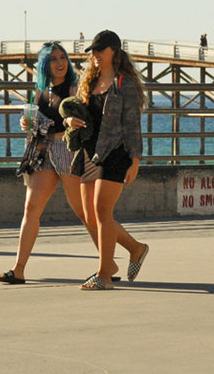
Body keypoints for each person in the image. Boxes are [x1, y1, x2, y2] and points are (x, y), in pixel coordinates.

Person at [0, 41, 85, 284]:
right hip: (42, 150)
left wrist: (68, 122)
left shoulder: (74, 88)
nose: (60, 62)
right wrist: (26, 124)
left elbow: (80, 119)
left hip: (67, 149)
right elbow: (39, 122)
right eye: (54, 58)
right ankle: (19, 268)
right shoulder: (40, 91)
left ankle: (116, 258)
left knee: (85, 211)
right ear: (45, 64)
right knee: (31, 208)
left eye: (62, 57)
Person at [67, 30, 149, 290]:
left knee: (103, 212)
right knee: (91, 217)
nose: (95, 55)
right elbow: (77, 109)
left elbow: (133, 125)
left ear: (114, 50)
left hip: (115, 153)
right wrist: (69, 120)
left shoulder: (125, 83)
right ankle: (136, 248)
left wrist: (135, 160)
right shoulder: (89, 82)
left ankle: (104, 275)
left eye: (99, 50)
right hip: (89, 154)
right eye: (92, 51)